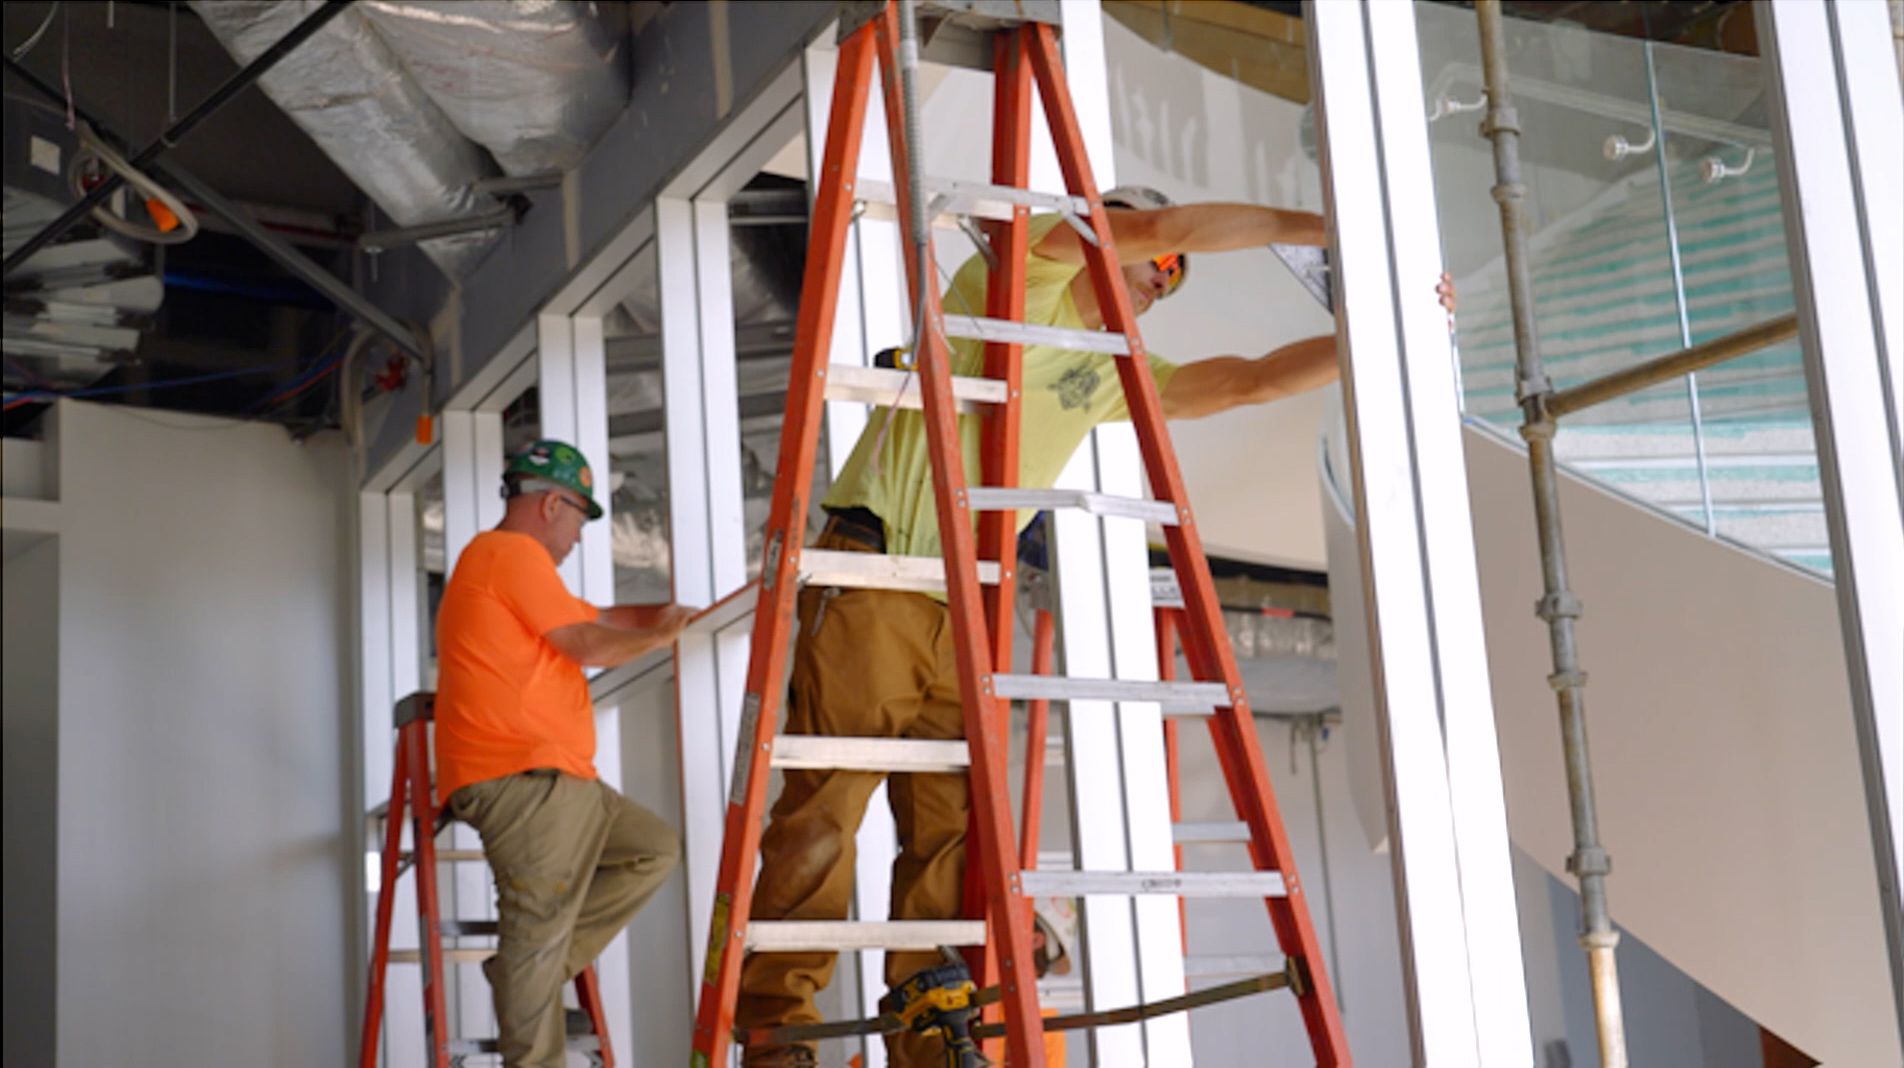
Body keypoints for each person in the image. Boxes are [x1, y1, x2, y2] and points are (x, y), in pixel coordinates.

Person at [736, 189, 1453, 1067]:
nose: (1159, 283)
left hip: (962, 603)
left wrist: (1381, 334)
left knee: (948, 830)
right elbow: (1168, 226)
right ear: (1101, 233)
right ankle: (780, 1030)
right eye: (1153, 264)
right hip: (878, 570)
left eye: (1170, 282)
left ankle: (925, 1027)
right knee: (827, 808)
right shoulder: (1018, 280)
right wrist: (1333, 226)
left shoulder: (1106, 368)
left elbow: (1251, 380)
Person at [433, 439, 695, 1068]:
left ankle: (526, 970)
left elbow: (600, 616)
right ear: (553, 503)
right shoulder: (509, 554)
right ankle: (529, 985)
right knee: (538, 927)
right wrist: (662, 638)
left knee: (651, 848)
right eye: (580, 517)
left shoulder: (512, 568)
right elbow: (586, 643)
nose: (578, 537)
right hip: (523, 777)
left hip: (559, 778)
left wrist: (670, 613)